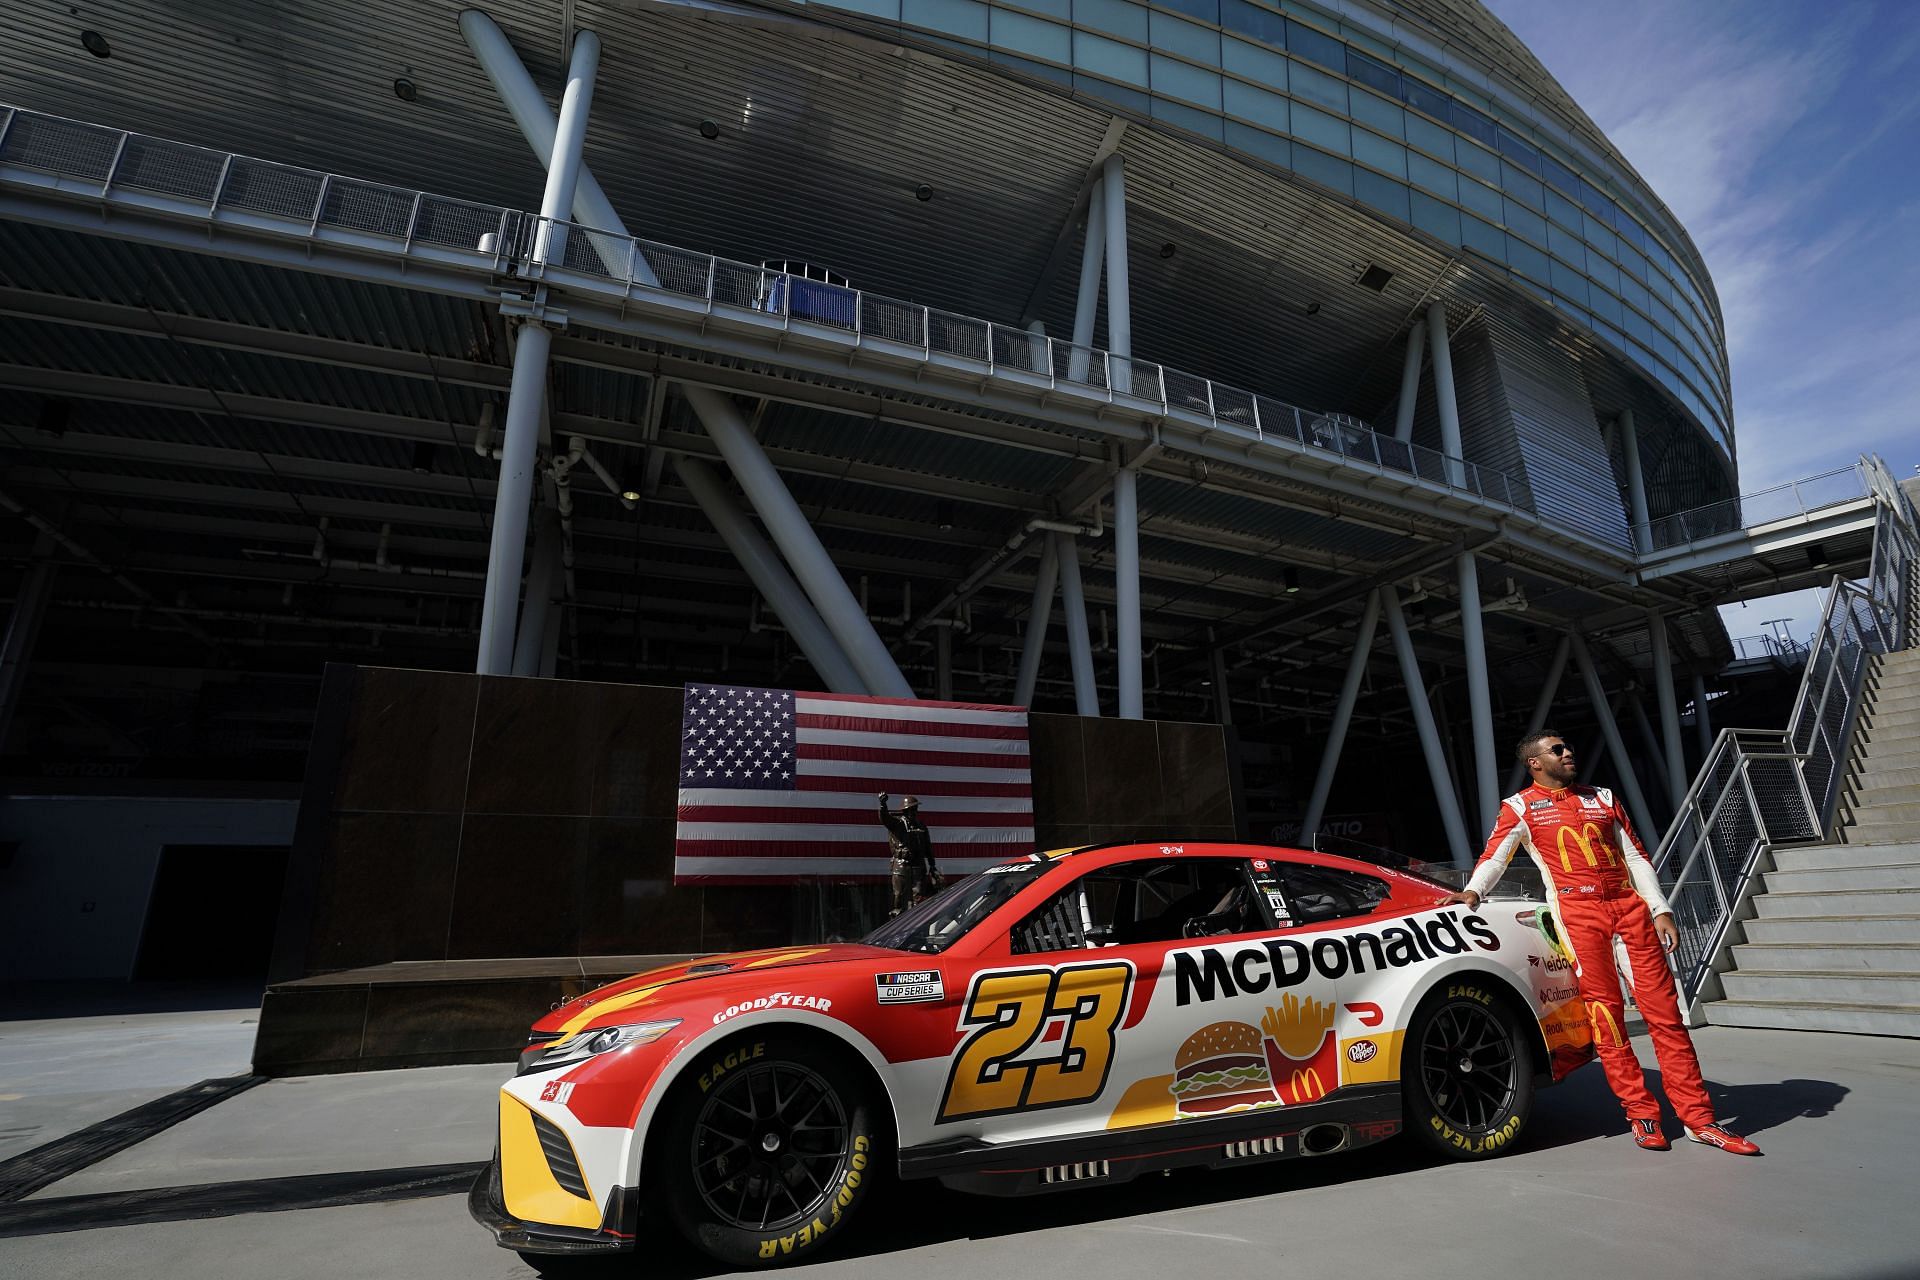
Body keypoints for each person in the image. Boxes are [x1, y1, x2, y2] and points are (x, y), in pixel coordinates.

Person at [1442, 729, 1760, 1156]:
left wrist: (1660, 908)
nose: (1568, 751)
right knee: (1606, 1020)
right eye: (1557, 749)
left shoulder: (1604, 797)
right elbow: (1495, 857)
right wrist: (1473, 893)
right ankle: (1641, 1113)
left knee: (1666, 1017)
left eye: (1567, 745)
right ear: (1535, 762)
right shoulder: (1519, 807)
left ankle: (1700, 1119)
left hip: (1631, 912)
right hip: (1578, 918)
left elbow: (1634, 857)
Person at [878, 792, 940, 916]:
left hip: (918, 865)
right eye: (911, 809)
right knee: (899, 897)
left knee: (919, 898)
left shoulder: (921, 826)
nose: (913, 812)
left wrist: (932, 866)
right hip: (901, 865)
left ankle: (918, 924)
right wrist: (883, 805)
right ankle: (896, 924)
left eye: (915, 809)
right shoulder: (897, 824)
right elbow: (884, 819)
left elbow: (928, 848)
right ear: (905, 811)